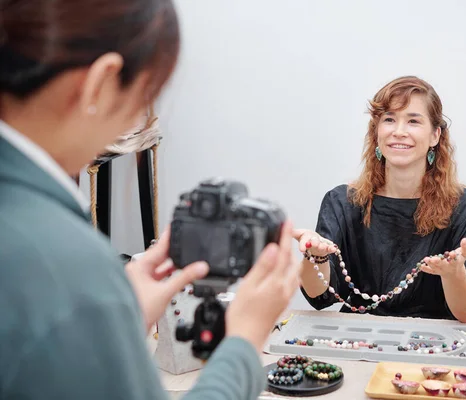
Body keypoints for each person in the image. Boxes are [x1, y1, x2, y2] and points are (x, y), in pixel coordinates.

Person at [0, 1, 300, 399]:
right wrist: (244, 344)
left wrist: (116, 319)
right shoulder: (66, 267)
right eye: (145, 97)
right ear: (102, 83)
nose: (137, 122)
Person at [294, 76, 466, 323]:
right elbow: (317, 295)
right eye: (389, 119)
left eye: (413, 121)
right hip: (358, 344)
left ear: (435, 136)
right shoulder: (342, 202)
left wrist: (454, 275)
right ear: (376, 132)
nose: (399, 132)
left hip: (433, 350)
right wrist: (315, 255)